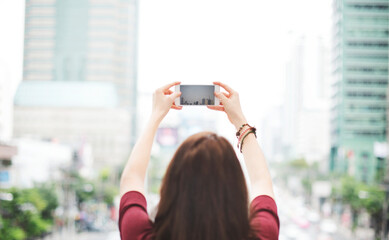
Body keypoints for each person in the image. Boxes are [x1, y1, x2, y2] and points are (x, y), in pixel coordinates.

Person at [119, 82, 279, 240]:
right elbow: (261, 182)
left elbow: (132, 179)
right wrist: (239, 119)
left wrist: (156, 115)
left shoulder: (138, 234)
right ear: (237, 186)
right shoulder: (263, 235)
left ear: (171, 184)